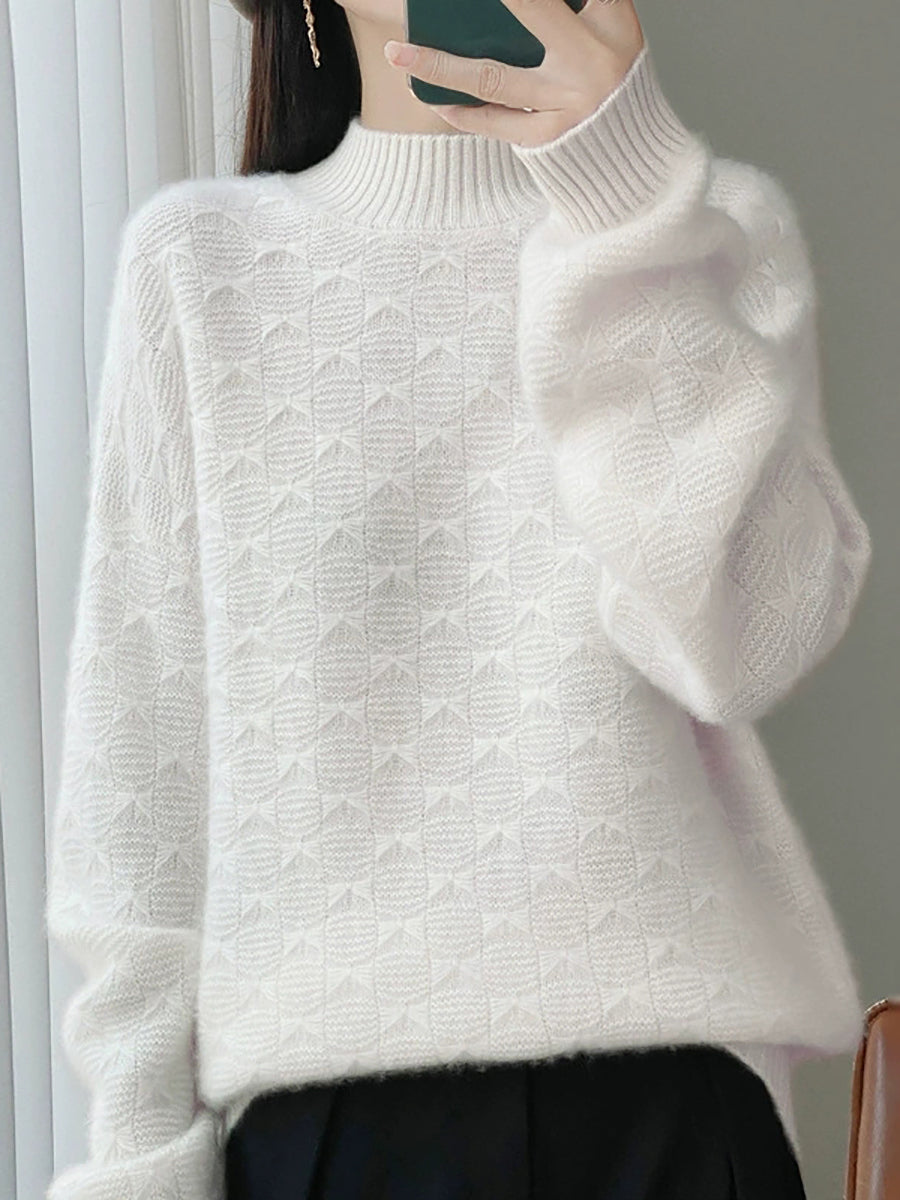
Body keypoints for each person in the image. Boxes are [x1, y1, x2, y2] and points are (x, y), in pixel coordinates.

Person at [43, 0, 873, 1196]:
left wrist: (629, 203)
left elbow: (745, 643)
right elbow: (141, 775)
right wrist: (141, 1163)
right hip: (332, 1136)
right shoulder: (201, 266)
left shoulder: (707, 227)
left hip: (673, 1121)